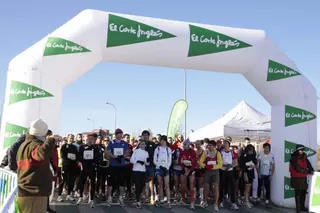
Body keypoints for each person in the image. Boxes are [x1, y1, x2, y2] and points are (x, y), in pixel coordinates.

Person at [16, 119, 58, 213]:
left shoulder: (25, 145)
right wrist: (51, 139)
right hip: (34, 193)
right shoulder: (34, 145)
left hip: (28, 192)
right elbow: (41, 154)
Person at [106, 128, 129, 207]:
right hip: (113, 165)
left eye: (121, 134)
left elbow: (127, 152)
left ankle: (121, 198)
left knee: (122, 183)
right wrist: (115, 157)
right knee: (110, 182)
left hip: (121, 166)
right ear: (116, 135)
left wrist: (122, 156)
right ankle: (109, 197)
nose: (120, 135)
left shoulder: (124, 143)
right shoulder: (111, 143)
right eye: (119, 133)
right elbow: (109, 152)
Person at [77, 133, 100, 207]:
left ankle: (91, 199)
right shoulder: (82, 147)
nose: (90, 140)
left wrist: (94, 163)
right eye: (89, 139)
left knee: (92, 183)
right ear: (86, 139)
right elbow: (79, 157)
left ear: (93, 140)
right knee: (82, 183)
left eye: (92, 139)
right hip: (84, 167)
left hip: (92, 168)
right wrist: (82, 161)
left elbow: (98, 157)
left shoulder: (96, 147)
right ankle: (81, 197)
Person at [290, 144, 314, 213]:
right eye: (300, 150)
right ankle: (298, 209)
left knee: (303, 192)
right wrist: (307, 171)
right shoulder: (293, 157)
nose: (302, 151)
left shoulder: (304, 156)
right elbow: (298, 168)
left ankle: (302, 207)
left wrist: (311, 169)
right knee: (298, 193)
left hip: (303, 177)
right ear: (297, 150)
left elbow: (308, 163)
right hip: (296, 178)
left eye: (303, 150)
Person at [199, 140, 222, 211]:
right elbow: (200, 162)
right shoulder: (205, 152)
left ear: (214, 146)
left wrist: (213, 167)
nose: (209, 146)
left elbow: (220, 164)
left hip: (215, 172)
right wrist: (205, 166)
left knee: (216, 188)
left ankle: (216, 204)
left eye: (211, 145)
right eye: (208, 145)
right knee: (206, 188)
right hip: (207, 172)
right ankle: (205, 201)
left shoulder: (218, 153)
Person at [57, 134, 78, 202]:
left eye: (73, 138)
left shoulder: (74, 147)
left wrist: (74, 159)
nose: (72, 139)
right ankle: (59, 196)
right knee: (63, 180)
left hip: (72, 166)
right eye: (70, 138)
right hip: (65, 166)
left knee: (71, 181)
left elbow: (76, 156)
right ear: (67, 138)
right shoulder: (63, 146)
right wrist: (70, 157)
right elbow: (63, 155)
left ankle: (69, 195)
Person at [219, 139, 239, 210]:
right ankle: (220, 201)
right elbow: (219, 162)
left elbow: (236, 163)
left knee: (232, 187)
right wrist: (224, 166)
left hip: (230, 171)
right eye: (223, 143)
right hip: (222, 171)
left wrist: (230, 166)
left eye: (226, 143)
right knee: (221, 187)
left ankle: (233, 202)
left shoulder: (232, 152)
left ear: (229, 144)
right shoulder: (221, 152)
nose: (224, 144)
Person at [154, 135, 172, 208]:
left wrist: (166, 167)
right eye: (161, 140)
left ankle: (168, 201)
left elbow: (169, 160)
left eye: (163, 140)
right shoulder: (157, 149)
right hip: (159, 169)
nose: (162, 141)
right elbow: (154, 160)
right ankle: (161, 200)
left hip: (166, 169)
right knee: (160, 184)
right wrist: (159, 166)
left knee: (167, 185)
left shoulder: (168, 149)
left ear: (165, 141)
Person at [178, 139, 197, 209]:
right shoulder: (182, 152)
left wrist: (189, 170)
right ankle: (183, 198)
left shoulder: (193, 152)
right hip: (184, 169)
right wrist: (184, 168)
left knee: (192, 184)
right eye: (183, 145)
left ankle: (192, 201)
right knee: (183, 184)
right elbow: (179, 161)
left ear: (188, 145)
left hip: (191, 169)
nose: (184, 146)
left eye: (185, 145)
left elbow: (194, 163)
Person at [130, 140, 149, 209]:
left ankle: (138, 196)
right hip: (136, 170)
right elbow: (131, 160)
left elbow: (147, 163)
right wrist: (137, 161)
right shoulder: (135, 151)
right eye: (141, 144)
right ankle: (138, 200)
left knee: (142, 184)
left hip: (143, 170)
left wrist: (147, 162)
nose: (142, 145)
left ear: (145, 145)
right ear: (139, 145)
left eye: (143, 144)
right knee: (137, 184)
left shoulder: (146, 153)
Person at [239, 144, 257, 208]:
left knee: (249, 187)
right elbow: (241, 165)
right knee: (247, 186)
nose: (251, 151)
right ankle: (246, 201)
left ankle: (246, 200)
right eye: (250, 150)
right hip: (246, 173)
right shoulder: (243, 155)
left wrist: (254, 165)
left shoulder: (253, 155)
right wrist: (247, 165)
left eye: (252, 150)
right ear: (247, 150)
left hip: (251, 172)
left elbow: (255, 162)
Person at [257, 142, 275, 206]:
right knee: (259, 186)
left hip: (268, 174)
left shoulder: (271, 155)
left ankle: (267, 200)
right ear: (263, 148)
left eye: (268, 148)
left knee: (267, 188)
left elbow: (273, 165)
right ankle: (258, 198)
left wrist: (271, 175)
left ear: (269, 148)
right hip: (261, 174)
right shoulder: (259, 154)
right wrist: (258, 173)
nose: (266, 149)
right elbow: (257, 164)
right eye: (265, 148)